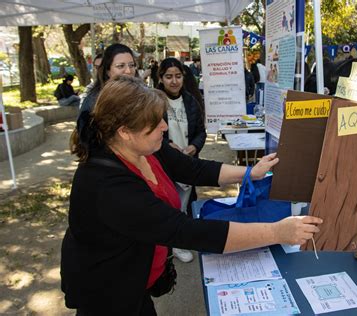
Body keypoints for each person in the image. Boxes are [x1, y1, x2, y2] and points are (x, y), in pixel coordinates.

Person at [61, 75, 323, 315]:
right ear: (125, 131)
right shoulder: (107, 186)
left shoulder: (146, 147)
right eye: (155, 123)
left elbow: (193, 169)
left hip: (135, 281)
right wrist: (277, 232)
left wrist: (250, 173)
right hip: (108, 295)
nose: (165, 126)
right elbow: (187, 231)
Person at [157, 58, 207, 263]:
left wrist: (194, 146)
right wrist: (168, 144)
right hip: (163, 161)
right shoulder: (153, 101)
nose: (174, 81)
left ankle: (178, 243)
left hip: (186, 162)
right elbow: (148, 130)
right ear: (160, 78)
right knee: (163, 204)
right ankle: (164, 244)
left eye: (178, 76)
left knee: (182, 204)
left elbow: (200, 133)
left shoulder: (191, 101)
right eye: (169, 76)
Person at [79, 43, 138, 116]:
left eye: (131, 65)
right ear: (108, 71)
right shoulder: (95, 100)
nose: (128, 71)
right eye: (120, 66)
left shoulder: (143, 95)